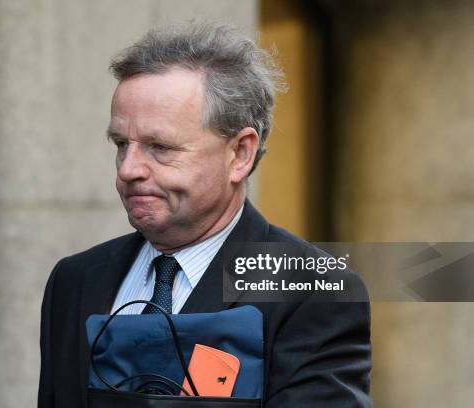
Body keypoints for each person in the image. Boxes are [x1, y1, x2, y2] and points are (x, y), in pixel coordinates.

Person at [38, 22, 371, 407]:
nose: (129, 169)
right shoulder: (75, 280)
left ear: (240, 154)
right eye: (121, 144)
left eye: (159, 146)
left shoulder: (309, 291)